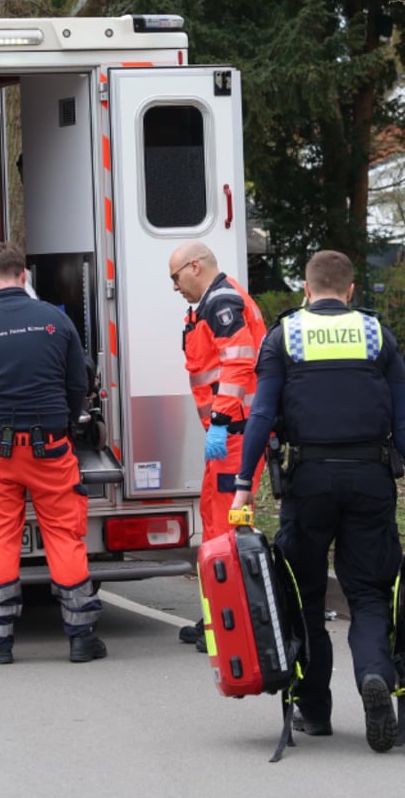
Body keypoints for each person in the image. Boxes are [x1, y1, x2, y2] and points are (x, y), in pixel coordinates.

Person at [228, 250, 405, 753]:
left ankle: (316, 712)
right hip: (371, 479)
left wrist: (243, 485)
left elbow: (260, 417)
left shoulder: (285, 337)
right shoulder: (377, 336)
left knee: (304, 597)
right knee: (368, 594)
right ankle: (374, 675)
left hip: (308, 484)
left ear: (306, 289)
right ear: (350, 292)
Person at [0, 241, 105, 665]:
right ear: (24, 276)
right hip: (51, 446)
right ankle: (82, 637)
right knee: (64, 535)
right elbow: (78, 384)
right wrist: (66, 426)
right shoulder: (55, 321)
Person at [169, 242, 268, 651]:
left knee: (227, 525)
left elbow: (239, 363)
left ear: (195, 266)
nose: (174, 286)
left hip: (236, 433)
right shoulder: (209, 304)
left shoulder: (222, 302)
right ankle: (217, 615)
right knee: (213, 522)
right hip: (227, 435)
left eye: (176, 276)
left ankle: (233, 622)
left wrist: (223, 421)